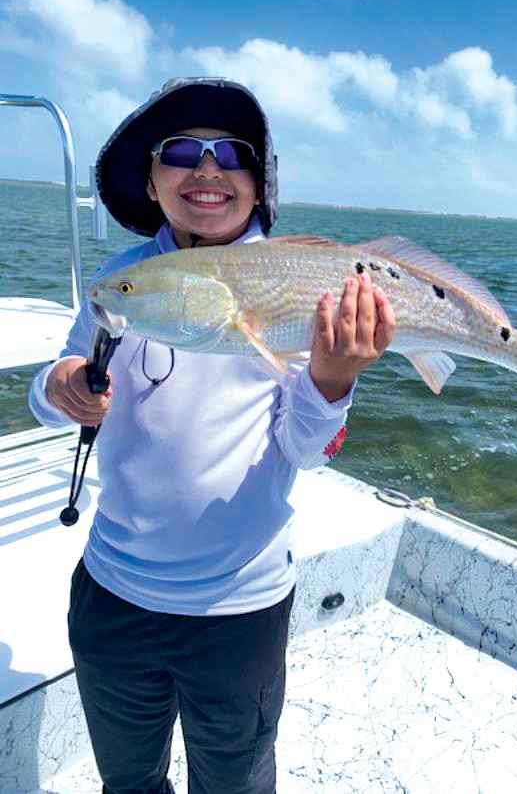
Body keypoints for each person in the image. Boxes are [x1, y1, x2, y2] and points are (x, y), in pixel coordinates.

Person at [28, 77, 395, 794]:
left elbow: (307, 451)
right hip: (113, 593)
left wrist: (331, 380)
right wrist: (61, 386)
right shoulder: (119, 280)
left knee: (234, 783)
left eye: (231, 154)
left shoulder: (300, 286)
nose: (206, 168)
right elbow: (47, 398)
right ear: (151, 181)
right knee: (127, 779)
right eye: (181, 152)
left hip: (241, 611)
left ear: (260, 184)